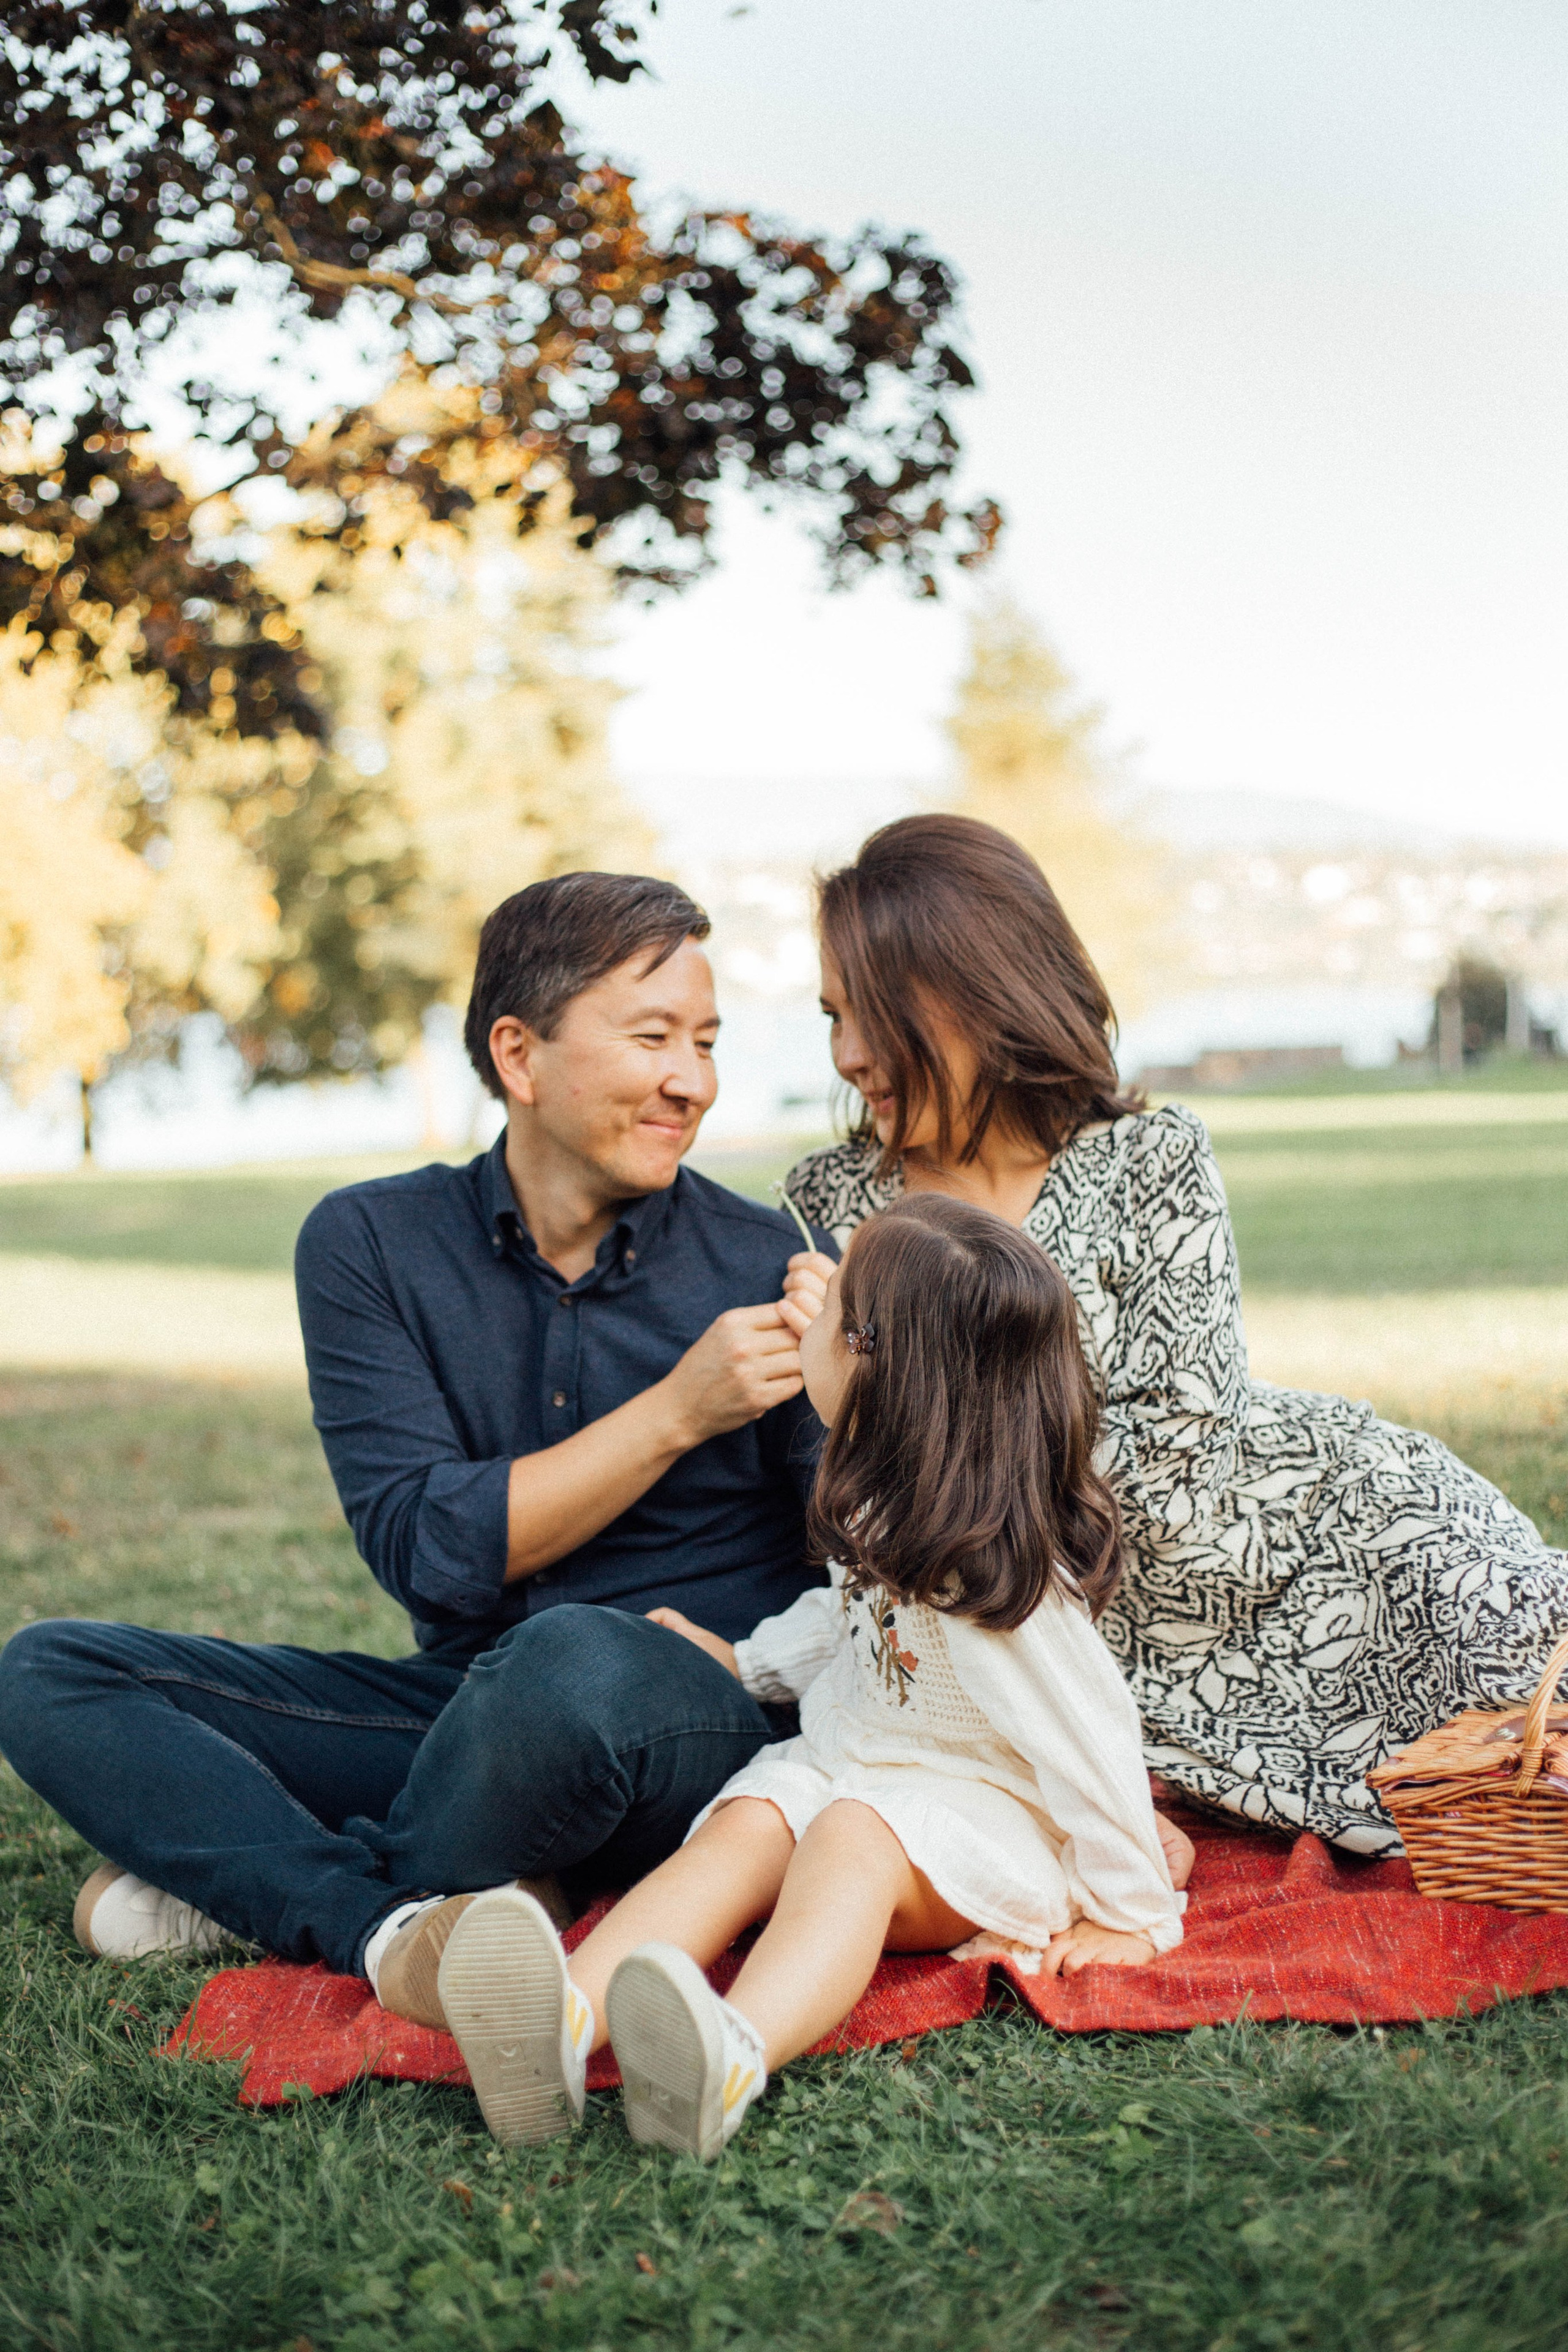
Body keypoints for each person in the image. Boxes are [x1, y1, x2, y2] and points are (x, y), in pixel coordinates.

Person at [0, 873, 840, 2002]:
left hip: (698, 1717)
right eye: (653, 1039)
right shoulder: (369, 1244)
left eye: (707, 1041)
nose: (693, 1080)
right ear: (518, 1056)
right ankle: (394, 1925)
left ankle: (283, 1878)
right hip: (460, 1717)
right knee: (51, 1671)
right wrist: (678, 1412)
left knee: (577, 1662)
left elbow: (871, 1571)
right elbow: (430, 1552)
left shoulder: (775, 1265)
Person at [774, 813, 1568, 1858]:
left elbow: (1186, 1462)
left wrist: (917, 1422)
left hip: (1314, 1541)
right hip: (1063, 1641)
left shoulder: (1150, 1160)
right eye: (832, 1017)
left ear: (973, 989)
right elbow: (851, 1513)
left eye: (871, 1015)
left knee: (1531, 1673)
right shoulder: (830, 1207)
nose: (847, 1056)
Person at [424, 1192, 1184, 2158]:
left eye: (831, 1311)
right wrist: (744, 1661)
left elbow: (1093, 1737)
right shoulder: (882, 1497)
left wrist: (1131, 1912)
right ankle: (560, 2024)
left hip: (975, 1819)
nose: (807, 1317)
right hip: (851, 1763)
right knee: (750, 1823)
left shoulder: (1001, 1579)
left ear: (872, 1364)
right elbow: (850, 1622)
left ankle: (731, 2054)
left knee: (850, 1836)